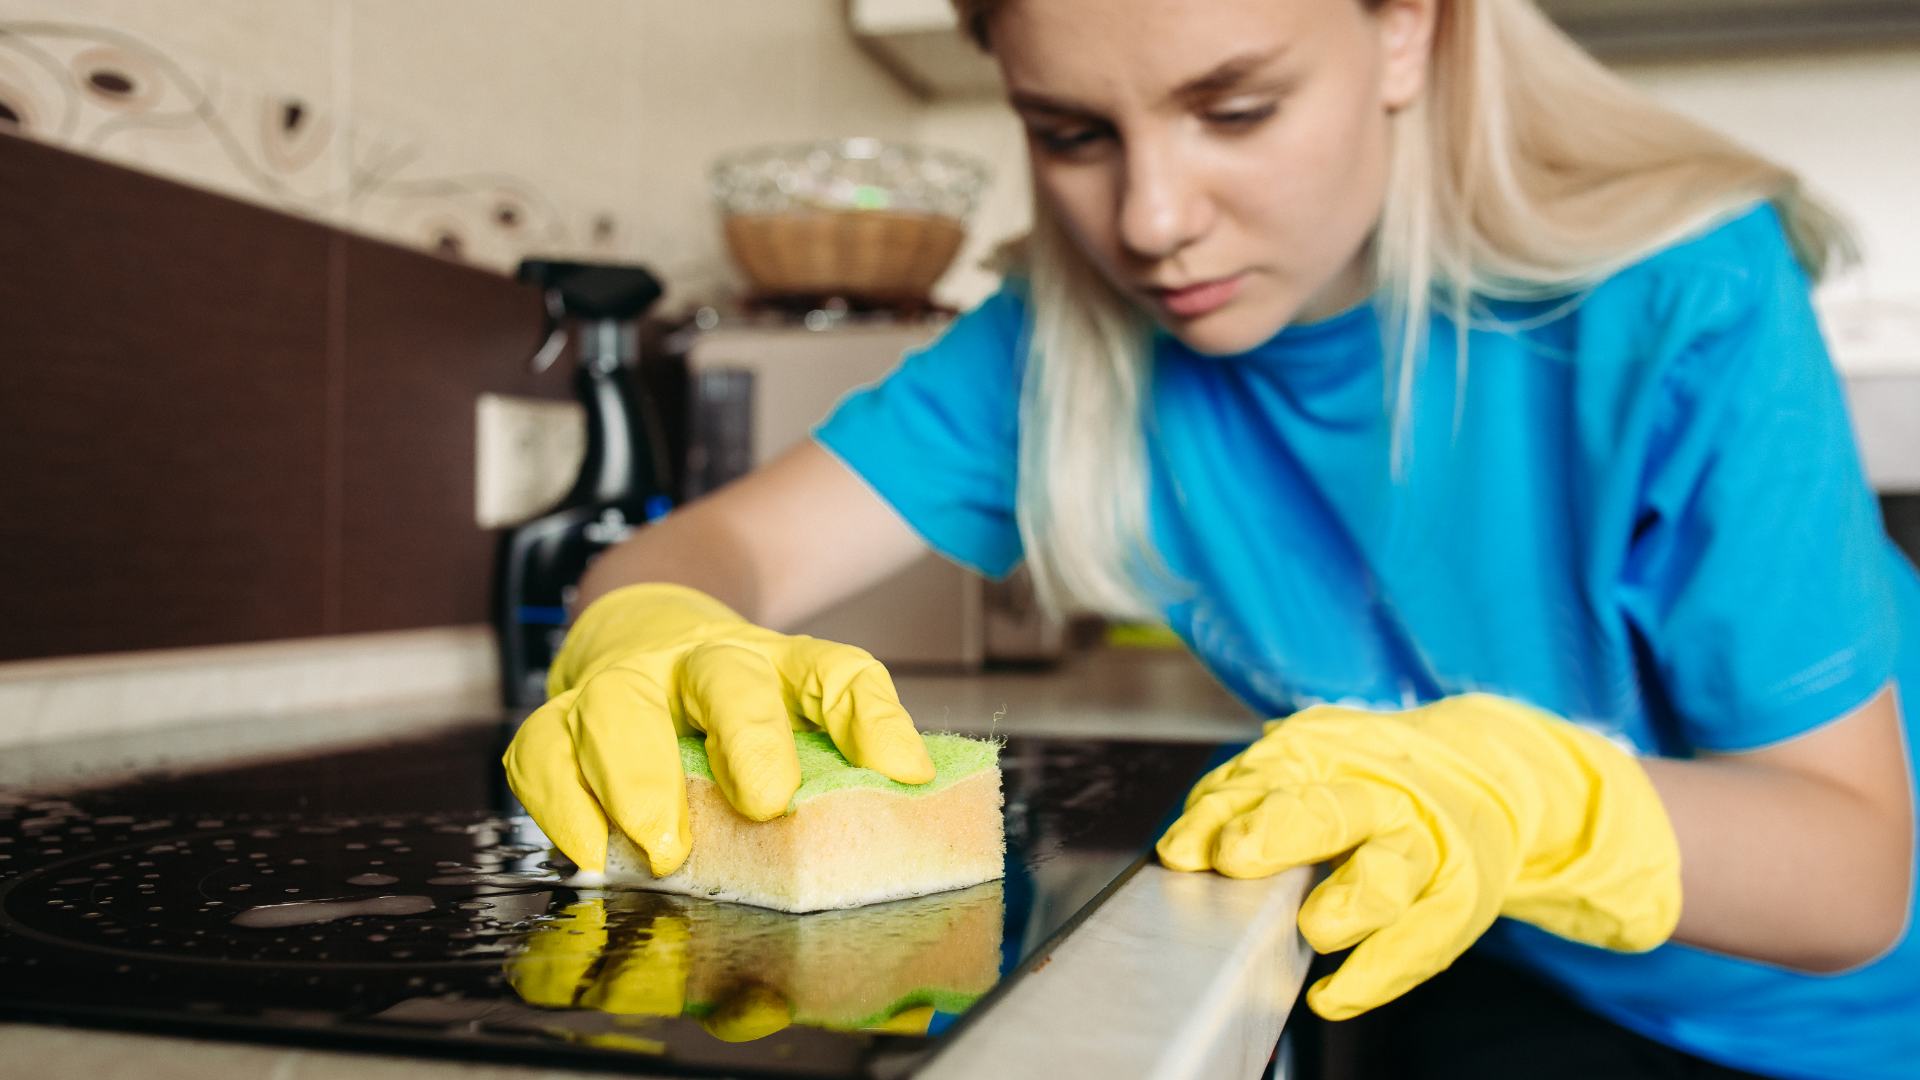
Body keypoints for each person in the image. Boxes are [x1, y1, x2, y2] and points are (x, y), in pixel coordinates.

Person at [503, 0, 1920, 1076]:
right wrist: (655, 636)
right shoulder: (1064, 341)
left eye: (1234, 110)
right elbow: (698, 559)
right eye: (1071, 134)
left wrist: (1540, 796)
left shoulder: (1684, 294)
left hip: (1837, 1019)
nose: (1152, 222)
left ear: (1406, 33)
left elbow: (1852, 876)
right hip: (1516, 954)